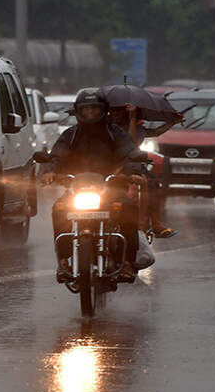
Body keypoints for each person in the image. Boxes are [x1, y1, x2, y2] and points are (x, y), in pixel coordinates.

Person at [41, 88, 145, 283]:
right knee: (59, 208)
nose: (90, 113)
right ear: (79, 111)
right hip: (77, 188)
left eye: (94, 109)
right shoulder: (71, 134)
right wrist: (50, 171)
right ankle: (63, 261)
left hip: (111, 187)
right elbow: (58, 153)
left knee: (128, 206)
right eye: (86, 109)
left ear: (103, 110)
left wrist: (134, 172)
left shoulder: (115, 133)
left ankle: (128, 263)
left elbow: (129, 153)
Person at [108, 102, 184, 238]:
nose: (115, 116)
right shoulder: (104, 129)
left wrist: (172, 122)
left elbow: (140, 139)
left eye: (119, 113)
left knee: (152, 184)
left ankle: (154, 223)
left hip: (132, 167)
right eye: (112, 113)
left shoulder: (136, 128)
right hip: (106, 168)